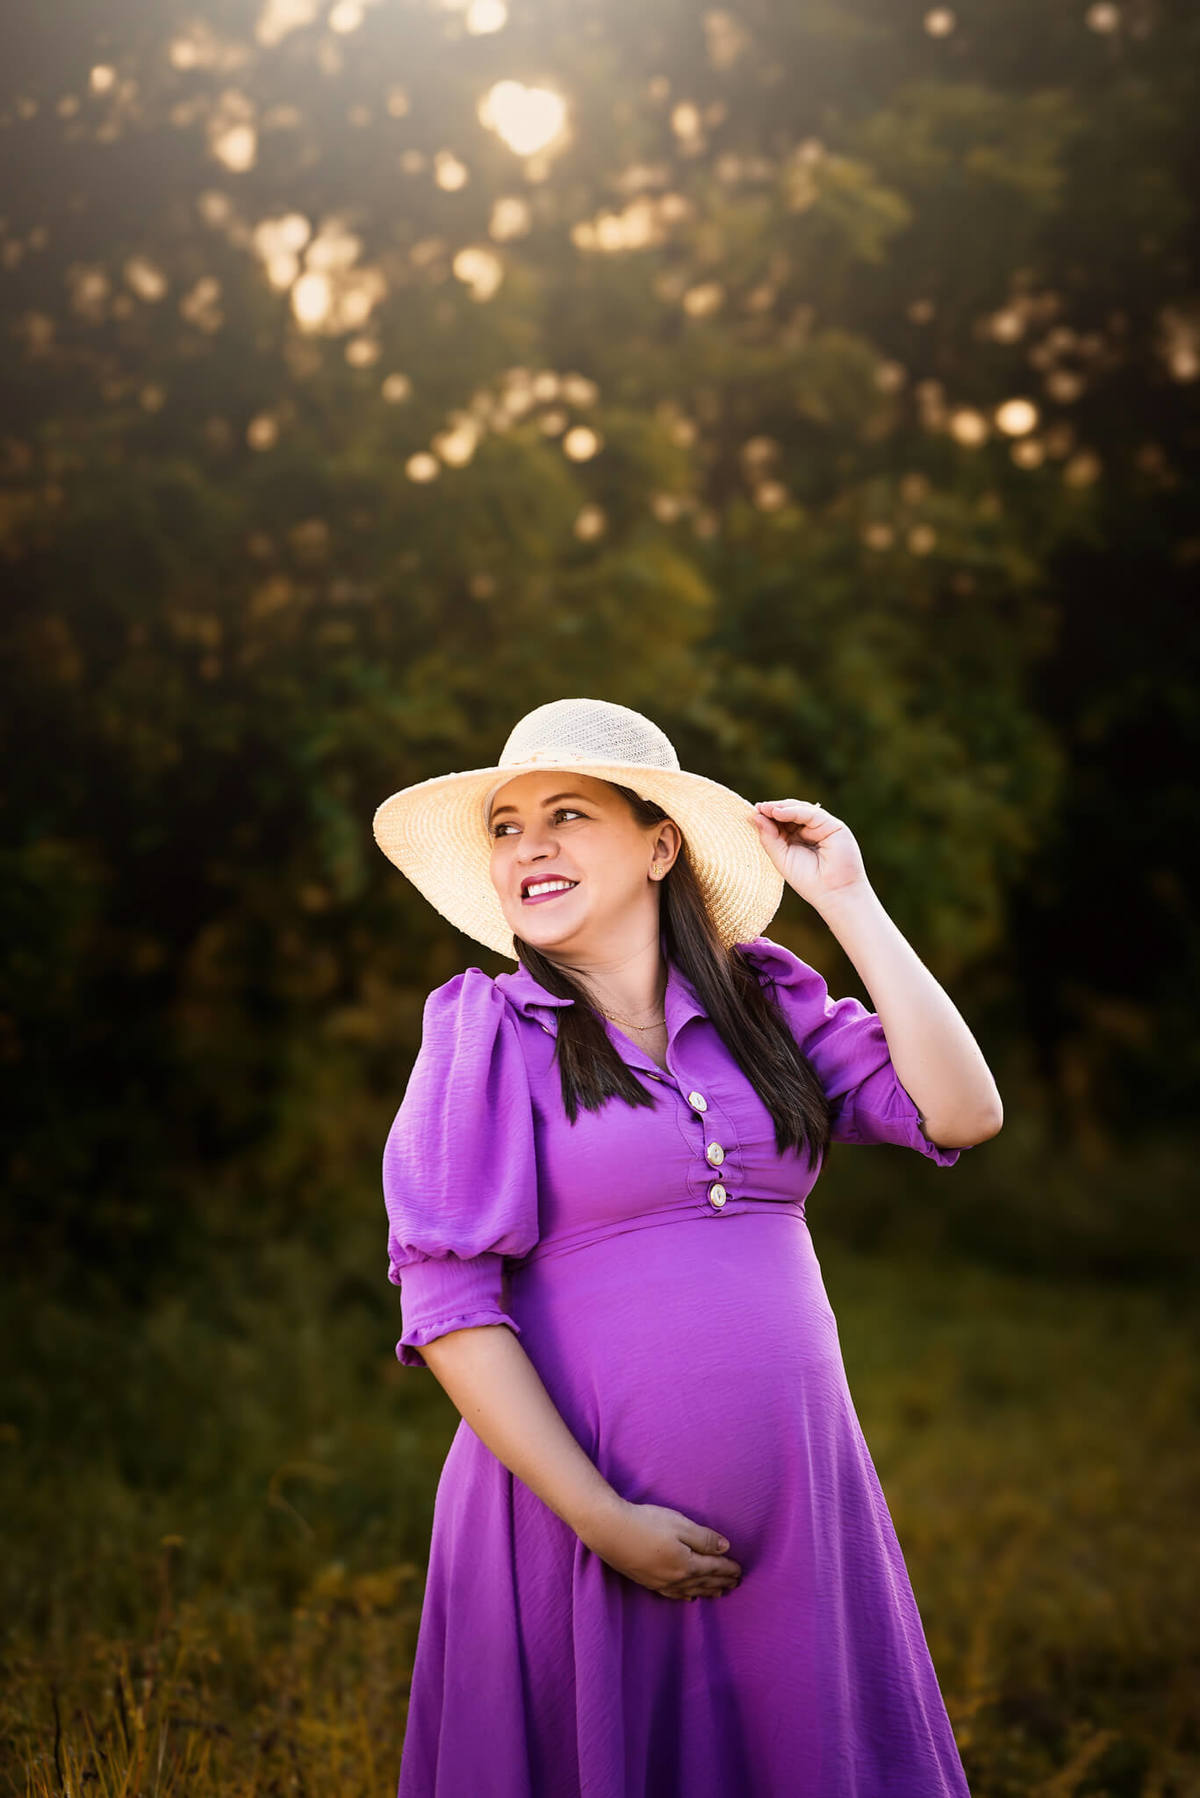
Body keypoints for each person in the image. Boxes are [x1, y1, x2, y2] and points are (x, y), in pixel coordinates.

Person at [372, 697, 1002, 1798]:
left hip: (804, 1517)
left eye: (567, 814)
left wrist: (849, 903)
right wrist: (603, 1519)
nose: (531, 847)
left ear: (660, 842)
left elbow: (961, 1110)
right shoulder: (486, 1032)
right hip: (574, 1527)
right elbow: (451, 1310)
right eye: (508, 827)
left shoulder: (764, 1005)